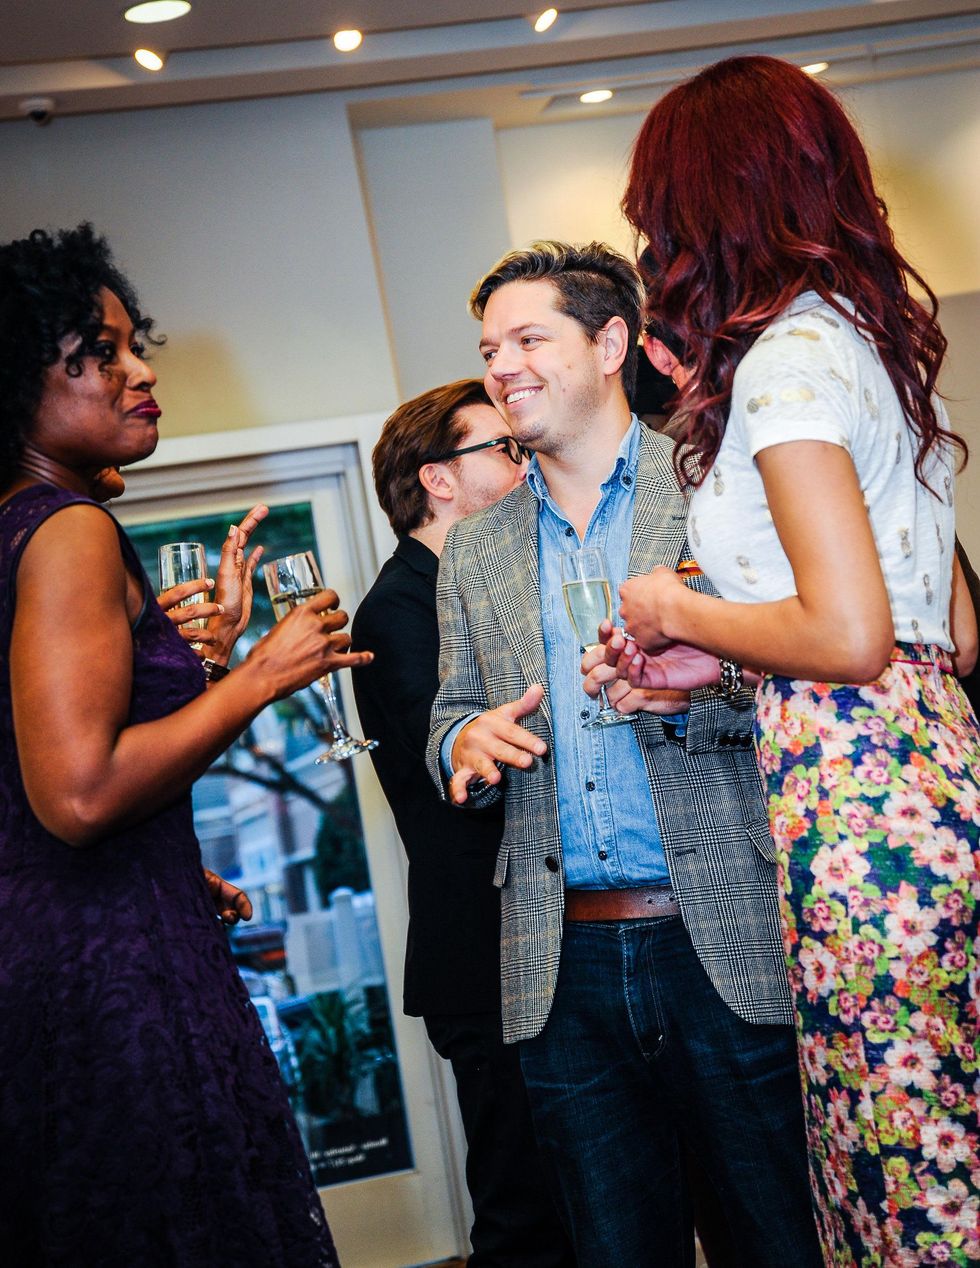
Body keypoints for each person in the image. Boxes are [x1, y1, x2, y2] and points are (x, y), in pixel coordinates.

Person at [608, 55, 980, 1265]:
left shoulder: (782, 370)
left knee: (907, 1158)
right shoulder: (860, 340)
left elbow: (844, 634)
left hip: (862, 801)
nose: (649, 235)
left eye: (657, 209)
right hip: (924, 763)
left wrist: (674, 607)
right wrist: (720, 657)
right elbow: (942, 632)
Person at [424, 240, 823, 1267]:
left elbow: (807, 671)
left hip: (725, 932)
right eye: (487, 347)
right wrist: (460, 740)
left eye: (527, 337)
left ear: (609, 343)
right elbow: (449, 716)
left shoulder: (717, 484)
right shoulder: (473, 545)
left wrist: (705, 683)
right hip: (561, 965)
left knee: (777, 1237)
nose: (500, 364)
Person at [0, 224, 372, 1265]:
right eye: (99, 352)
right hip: (100, 965)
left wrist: (189, 681)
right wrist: (262, 673)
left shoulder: (18, 524)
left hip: (79, 929)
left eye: (133, 344)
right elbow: (75, 794)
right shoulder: (67, 530)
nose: (140, 369)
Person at [350, 380, 575, 1266]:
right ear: (439, 480)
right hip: (481, 949)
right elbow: (458, 767)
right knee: (525, 1210)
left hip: (543, 935)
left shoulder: (498, 586)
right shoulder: (396, 611)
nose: (523, 460)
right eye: (503, 448)